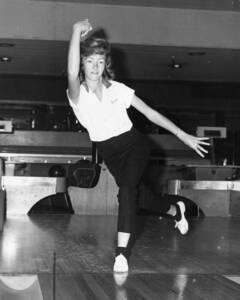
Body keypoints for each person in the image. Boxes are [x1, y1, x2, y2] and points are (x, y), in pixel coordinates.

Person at [67, 19, 210, 273]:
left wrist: (183, 135)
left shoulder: (118, 89)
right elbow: (70, 72)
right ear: (83, 64)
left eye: (100, 62)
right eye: (90, 61)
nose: (95, 67)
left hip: (135, 145)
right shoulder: (78, 95)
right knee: (140, 198)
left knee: (126, 192)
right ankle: (175, 210)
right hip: (110, 153)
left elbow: (150, 113)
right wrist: (76, 32)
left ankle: (121, 254)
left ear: (105, 65)